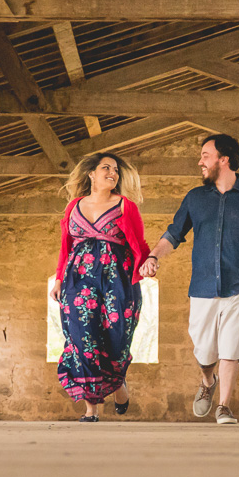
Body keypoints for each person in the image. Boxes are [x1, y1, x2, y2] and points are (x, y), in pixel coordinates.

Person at [139, 134, 239, 425]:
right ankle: (208, 381)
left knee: (232, 346)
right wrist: (154, 256)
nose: (200, 161)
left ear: (224, 159)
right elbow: (173, 234)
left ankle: (224, 407)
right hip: (203, 286)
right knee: (204, 350)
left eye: (205, 155)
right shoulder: (195, 198)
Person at [52, 152, 151, 422]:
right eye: (106, 168)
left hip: (117, 278)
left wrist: (149, 263)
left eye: (116, 170)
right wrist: (59, 278)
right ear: (91, 174)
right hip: (78, 279)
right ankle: (91, 408)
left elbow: (140, 243)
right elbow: (66, 246)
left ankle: (118, 383)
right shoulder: (73, 206)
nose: (113, 173)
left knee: (117, 340)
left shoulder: (125, 205)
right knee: (83, 338)